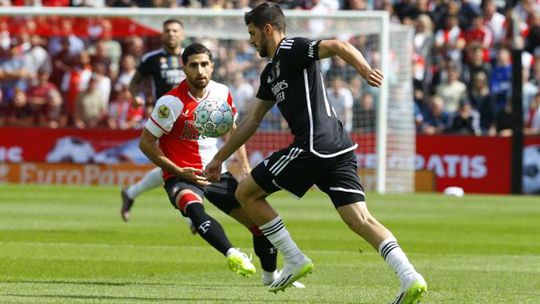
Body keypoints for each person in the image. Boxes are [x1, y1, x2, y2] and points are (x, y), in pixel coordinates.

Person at [205, 3, 427, 303]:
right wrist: (220, 157)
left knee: (246, 194)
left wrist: (363, 70)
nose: (251, 41)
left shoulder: (291, 47)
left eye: (253, 33)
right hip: (338, 146)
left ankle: (294, 258)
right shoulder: (271, 73)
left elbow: (337, 45)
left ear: (268, 28)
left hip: (314, 144)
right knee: (359, 219)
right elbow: (251, 121)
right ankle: (409, 275)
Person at [139, 42, 304, 286]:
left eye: (204, 64)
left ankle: (271, 277)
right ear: (184, 69)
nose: (200, 71)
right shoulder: (170, 103)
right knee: (194, 209)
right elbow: (146, 143)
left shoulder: (221, 92)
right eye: (193, 65)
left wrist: (244, 167)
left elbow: (232, 132)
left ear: (213, 66)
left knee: (260, 222)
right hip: (181, 174)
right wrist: (176, 170)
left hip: (216, 172)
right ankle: (232, 253)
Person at [121, 19, 186, 221]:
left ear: (182, 34)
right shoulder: (152, 59)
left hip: (192, 118)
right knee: (177, 165)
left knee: (172, 166)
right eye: (168, 30)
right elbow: (135, 82)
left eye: (175, 30)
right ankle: (192, 215)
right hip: (165, 120)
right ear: (162, 35)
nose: (171, 34)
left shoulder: (192, 57)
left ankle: (131, 192)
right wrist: (136, 96)